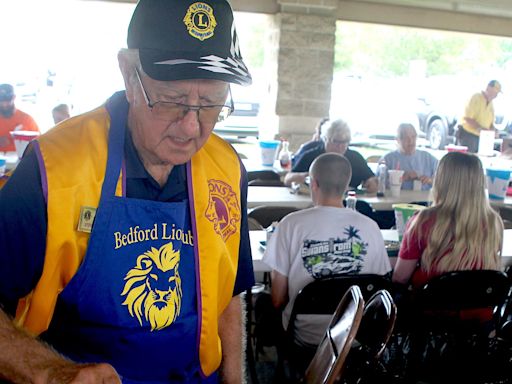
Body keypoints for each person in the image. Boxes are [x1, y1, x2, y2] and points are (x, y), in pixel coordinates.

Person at [0, 0, 254, 383]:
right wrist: (51, 374)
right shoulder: (56, 167)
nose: (191, 127)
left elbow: (228, 294)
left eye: (211, 102)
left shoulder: (226, 169)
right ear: (128, 74)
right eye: (172, 100)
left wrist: (235, 379)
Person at [263, 153, 391, 356]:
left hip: (305, 334)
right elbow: (380, 288)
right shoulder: (371, 227)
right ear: (347, 185)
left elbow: (278, 299)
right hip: (356, 336)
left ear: (313, 183)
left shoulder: (289, 225)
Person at [392, 152, 503, 290]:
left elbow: (400, 277)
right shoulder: (493, 222)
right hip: (479, 308)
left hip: (428, 308)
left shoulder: (423, 221)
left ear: (440, 181)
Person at [285, 119, 378, 193]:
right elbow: (287, 179)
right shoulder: (310, 155)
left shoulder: (355, 158)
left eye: (345, 142)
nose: (340, 146)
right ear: (325, 139)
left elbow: (371, 178)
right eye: (336, 141)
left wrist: (372, 183)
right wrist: (303, 176)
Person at [377, 123, 438, 190]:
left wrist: (430, 180)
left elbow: (444, 178)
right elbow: (378, 185)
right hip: (396, 199)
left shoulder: (427, 158)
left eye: (413, 137)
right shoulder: (387, 159)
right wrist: (403, 177)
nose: (410, 141)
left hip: (424, 199)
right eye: (406, 137)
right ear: (397, 140)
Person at [456, 80, 502, 153]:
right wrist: (482, 129)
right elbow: (467, 119)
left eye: (497, 93)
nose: (495, 95)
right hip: (468, 135)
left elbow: (490, 123)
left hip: (482, 138)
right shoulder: (475, 97)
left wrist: (494, 131)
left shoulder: (491, 104)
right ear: (488, 88)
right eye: (494, 91)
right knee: (466, 160)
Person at [0, 83, 40, 152]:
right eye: (1, 101)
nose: (4, 104)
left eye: (7, 101)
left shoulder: (27, 119)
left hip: (22, 160)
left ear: (14, 97)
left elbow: (39, 143)